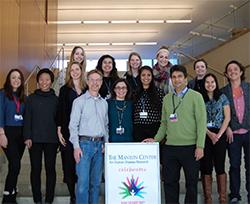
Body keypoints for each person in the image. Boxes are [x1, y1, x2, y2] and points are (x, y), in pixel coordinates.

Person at [144, 65, 207, 204]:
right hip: (170, 148)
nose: (177, 80)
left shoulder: (196, 97)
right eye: (174, 77)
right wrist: (155, 140)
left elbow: (202, 123)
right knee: (169, 183)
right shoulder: (167, 98)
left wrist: (200, 146)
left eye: (180, 77)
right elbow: (164, 124)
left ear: (185, 79)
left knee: (191, 184)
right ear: (171, 79)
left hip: (191, 147)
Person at [69, 69, 109, 204]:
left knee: (96, 184)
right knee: (82, 185)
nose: (95, 82)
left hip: (99, 146)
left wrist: (106, 143)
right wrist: (76, 147)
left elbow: (106, 126)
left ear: (101, 82)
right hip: (84, 146)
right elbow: (73, 126)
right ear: (87, 81)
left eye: (98, 80)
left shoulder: (104, 103)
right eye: (92, 79)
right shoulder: (79, 101)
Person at [24, 69, 58, 204]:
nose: (44, 82)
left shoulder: (56, 99)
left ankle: (49, 199)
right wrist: (27, 136)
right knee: (35, 169)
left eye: (47, 79)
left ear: (51, 81)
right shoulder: (31, 99)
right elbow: (27, 119)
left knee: (51, 170)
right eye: (41, 79)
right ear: (38, 82)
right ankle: (37, 199)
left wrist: (59, 139)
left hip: (51, 140)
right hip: (35, 140)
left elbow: (58, 121)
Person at [57, 61, 86, 204]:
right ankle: (72, 196)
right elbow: (60, 111)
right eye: (72, 69)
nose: (75, 72)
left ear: (81, 70)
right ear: (69, 72)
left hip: (85, 133)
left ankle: (81, 194)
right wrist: (59, 130)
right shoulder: (64, 89)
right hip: (68, 132)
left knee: (81, 166)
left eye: (77, 69)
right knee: (68, 164)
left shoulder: (87, 88)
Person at [221, 60, 250, 203]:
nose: (233, 71)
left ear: (241, 71)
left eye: (235, 69)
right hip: (233, 135)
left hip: (249, 132)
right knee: (234, 165)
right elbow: (221, 114)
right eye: (229, 70)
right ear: (226, 74)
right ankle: (234, 194)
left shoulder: (249, 88)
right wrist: (227, 128)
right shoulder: (223, 91)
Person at [200, 73, 230, 204]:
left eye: (212, 82)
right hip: (205, 134)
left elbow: (227, 117)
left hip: (220, 135)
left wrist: (218, 135)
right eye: (207, 82)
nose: (210, 84)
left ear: (216, 83)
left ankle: (222, 198)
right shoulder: (200, 97)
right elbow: (198, 119)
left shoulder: (223, 97)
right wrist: (209, 134)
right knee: (206, 166)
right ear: (204, 84)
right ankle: (208, 198)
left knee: (220, 165)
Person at [0, 69, 26, 203]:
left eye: (19, 78)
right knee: (15, 164)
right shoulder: (2, 94)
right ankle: (7, 197)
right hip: (7, 132)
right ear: (9, 80)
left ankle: (12, 192)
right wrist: (1, 133)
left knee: (14, 165)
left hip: (20, 134)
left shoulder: (22, 96)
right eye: (13, 77)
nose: (16, 80)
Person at [133, 65, 164, 142]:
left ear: (152, 77)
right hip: (138, 129)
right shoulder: (134, 92)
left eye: (149, 75)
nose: (146, 77)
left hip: (154, 128)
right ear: (139, 77)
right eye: (143, 75)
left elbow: (163, 111)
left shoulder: (159, 92)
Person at [108, 78, 133, 142]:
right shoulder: (108, 103)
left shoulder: (131, 104)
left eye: (124, 88)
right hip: (111, 140)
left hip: (129, 140)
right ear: (114, 90)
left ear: (127, 90)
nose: (121, 90)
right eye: (118, 88)